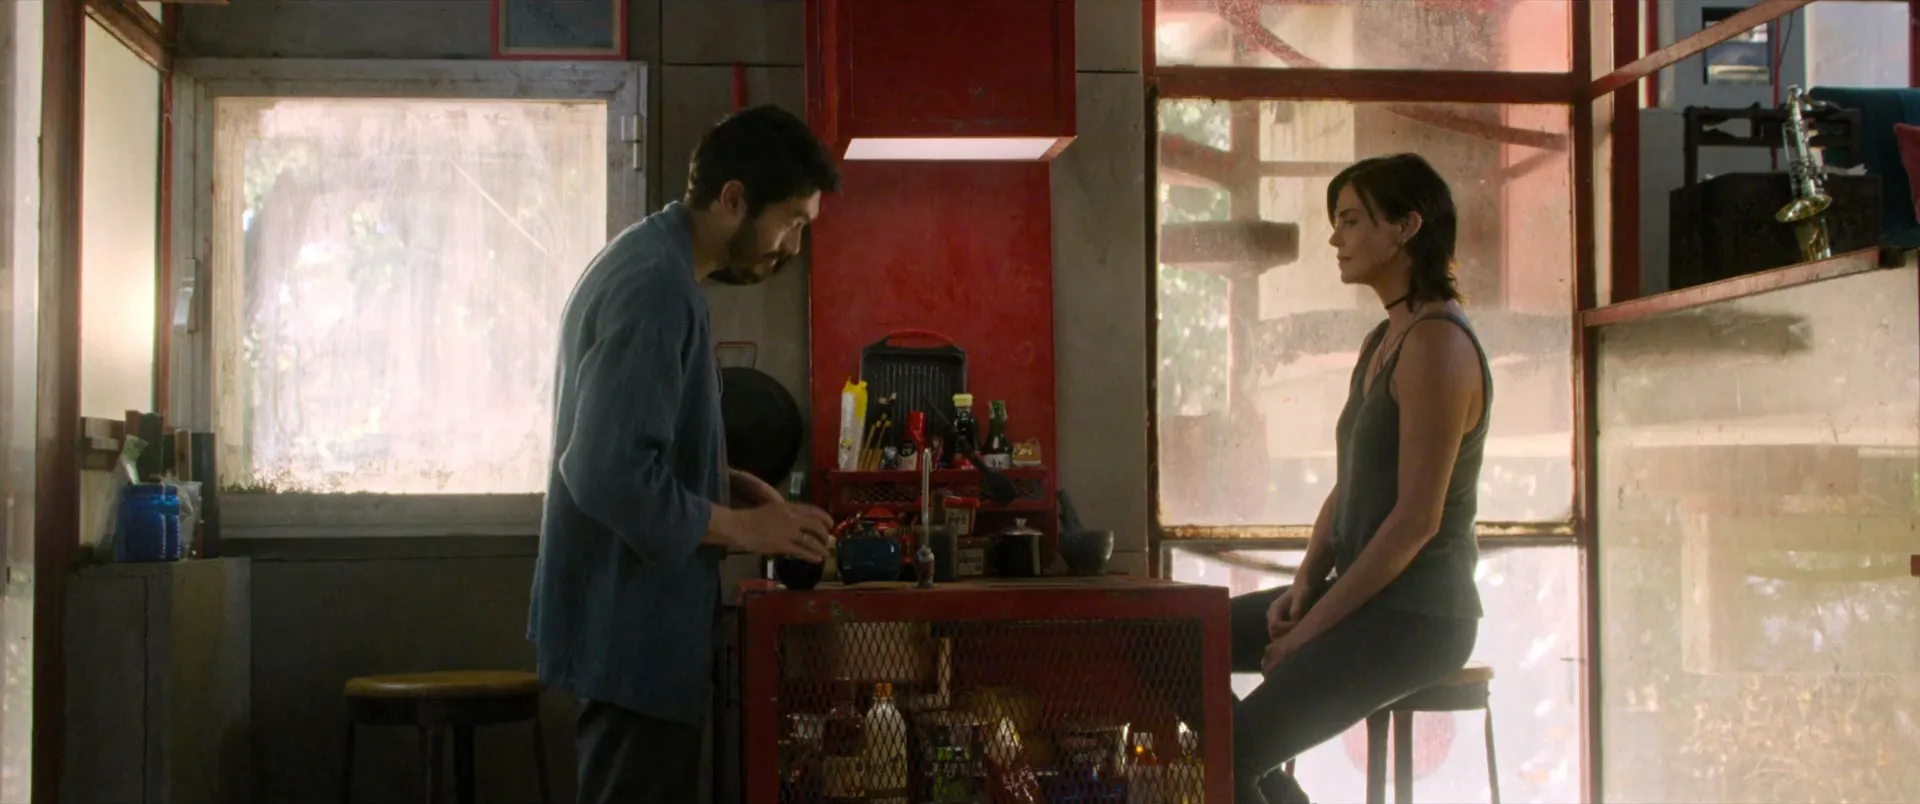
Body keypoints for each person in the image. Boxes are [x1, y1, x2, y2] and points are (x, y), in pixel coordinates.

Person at [527, 103, 843, 804]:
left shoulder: (652, 261)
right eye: (791, 222)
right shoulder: (657, 287)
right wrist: (745, 529)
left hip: (631, 626)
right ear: (733, 199)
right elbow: (605, 471)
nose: (793, 247)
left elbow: (634, 445)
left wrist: (723, 483)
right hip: (632, 630)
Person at [1229, 153, 1492, 804]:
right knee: (1176, 643)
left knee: (1227, 755)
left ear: (1406, 226)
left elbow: (1416, 521)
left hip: (1419, 617)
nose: (1334, 238)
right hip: (1366, 598)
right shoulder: (1385, 338)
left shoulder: (1437, 345)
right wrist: (1304, 583)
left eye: (1350, 221)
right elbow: (1348, 483)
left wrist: (1308, 634)